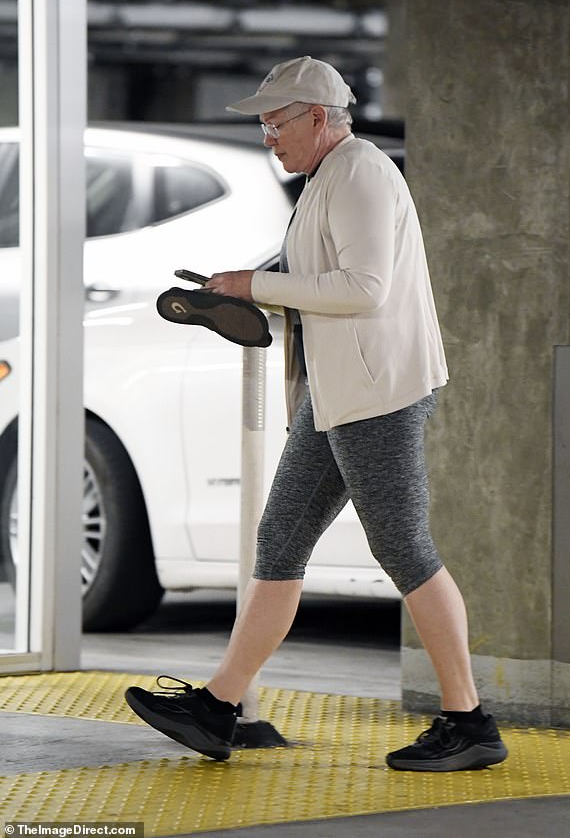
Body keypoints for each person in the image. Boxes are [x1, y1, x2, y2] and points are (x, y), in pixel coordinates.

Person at [125, 56, 508, 772]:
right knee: (280, 541)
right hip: (338, 396)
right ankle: (218, 707)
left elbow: (364, 288)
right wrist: (239, 285)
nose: (268, 135)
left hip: (377, 394)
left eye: (276, 122)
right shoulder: (324, 181)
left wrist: (260, 284)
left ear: (319, 118)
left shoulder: (361, 171)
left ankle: (471, 720)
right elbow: (316, 275)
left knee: (404, 549)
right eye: (265, 123)